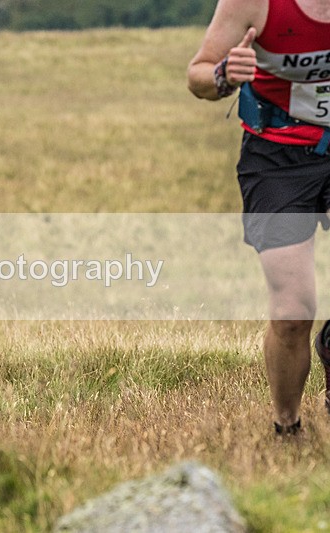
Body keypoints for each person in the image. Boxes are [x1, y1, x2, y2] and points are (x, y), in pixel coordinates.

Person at [188, 0, 330, 434]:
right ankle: (287, 428)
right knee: (292, 311)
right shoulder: (255, 3)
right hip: (277, 157)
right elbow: (198, 75)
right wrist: (224, 74)